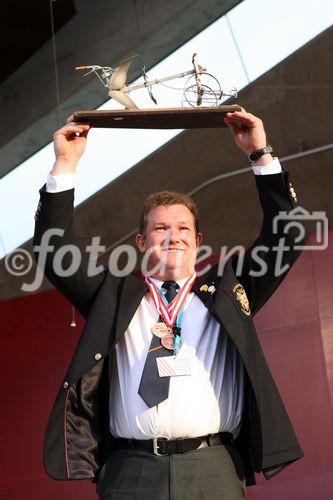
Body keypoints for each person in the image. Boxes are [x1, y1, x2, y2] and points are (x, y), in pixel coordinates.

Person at [33, 110, 305, 500]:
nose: (172, 237)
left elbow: (287, 237)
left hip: (213, 467)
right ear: (141, 242)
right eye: (160, 228)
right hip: (130, 471)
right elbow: (54, 248)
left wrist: (259, 152)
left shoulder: (230, 289)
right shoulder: (111, 296)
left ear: (198, 239)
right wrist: (66, 163)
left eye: (182, 228)